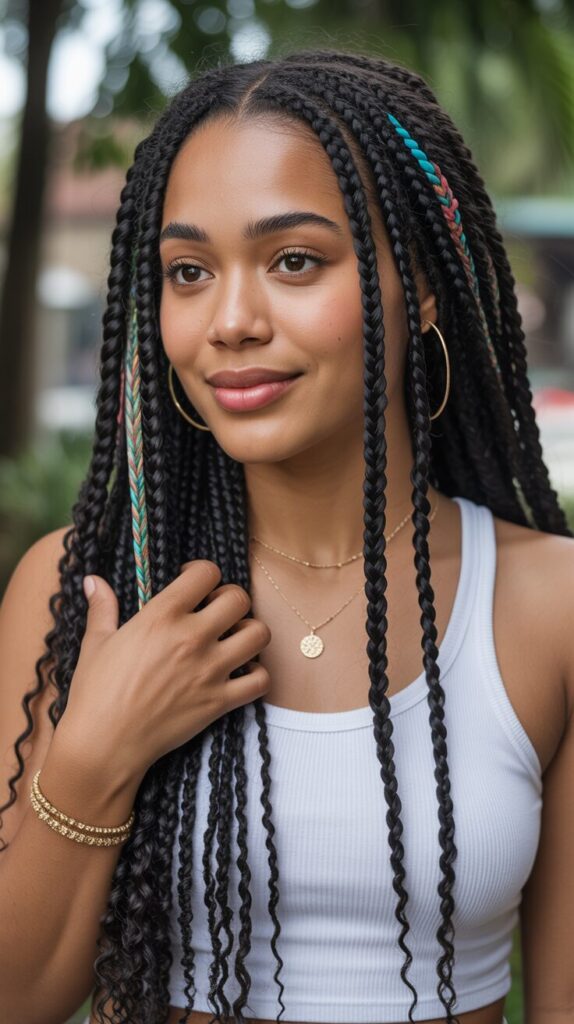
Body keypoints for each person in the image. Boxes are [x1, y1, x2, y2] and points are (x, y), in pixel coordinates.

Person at [0, 46, 572, 1024]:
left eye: (294, 260)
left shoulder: (545, 605)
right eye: (188, 271)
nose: (229, 320)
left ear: (422, 287)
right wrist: (96, 757)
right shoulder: (85, 587)